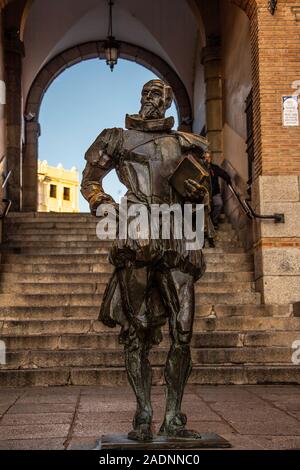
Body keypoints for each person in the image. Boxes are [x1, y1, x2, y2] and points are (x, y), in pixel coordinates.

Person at [81, 79, 210, 442]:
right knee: (136, 331)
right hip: (137, 230)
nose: (152, 100)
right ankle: (143, 413)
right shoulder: (116, 138)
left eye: (160, 96)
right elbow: (90, 180)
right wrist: (102, 203)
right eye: (148, 93)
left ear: (169, 104)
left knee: (182, 331)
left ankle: (174, 417)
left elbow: (200, 196)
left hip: (179, 233)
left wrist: (200, 197)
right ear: (141, 97)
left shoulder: (186, 143)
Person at [203, 150, 232, 229]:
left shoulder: (214, 168)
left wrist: (228, 179)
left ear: (211, 158)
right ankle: (205, 225)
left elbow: (223, 173)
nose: (207, 159)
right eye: (205, 157)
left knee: (219, 204)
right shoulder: (201, 167)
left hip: (215, 192)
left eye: (208, 157)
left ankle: (213, 220)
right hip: (204, 194)